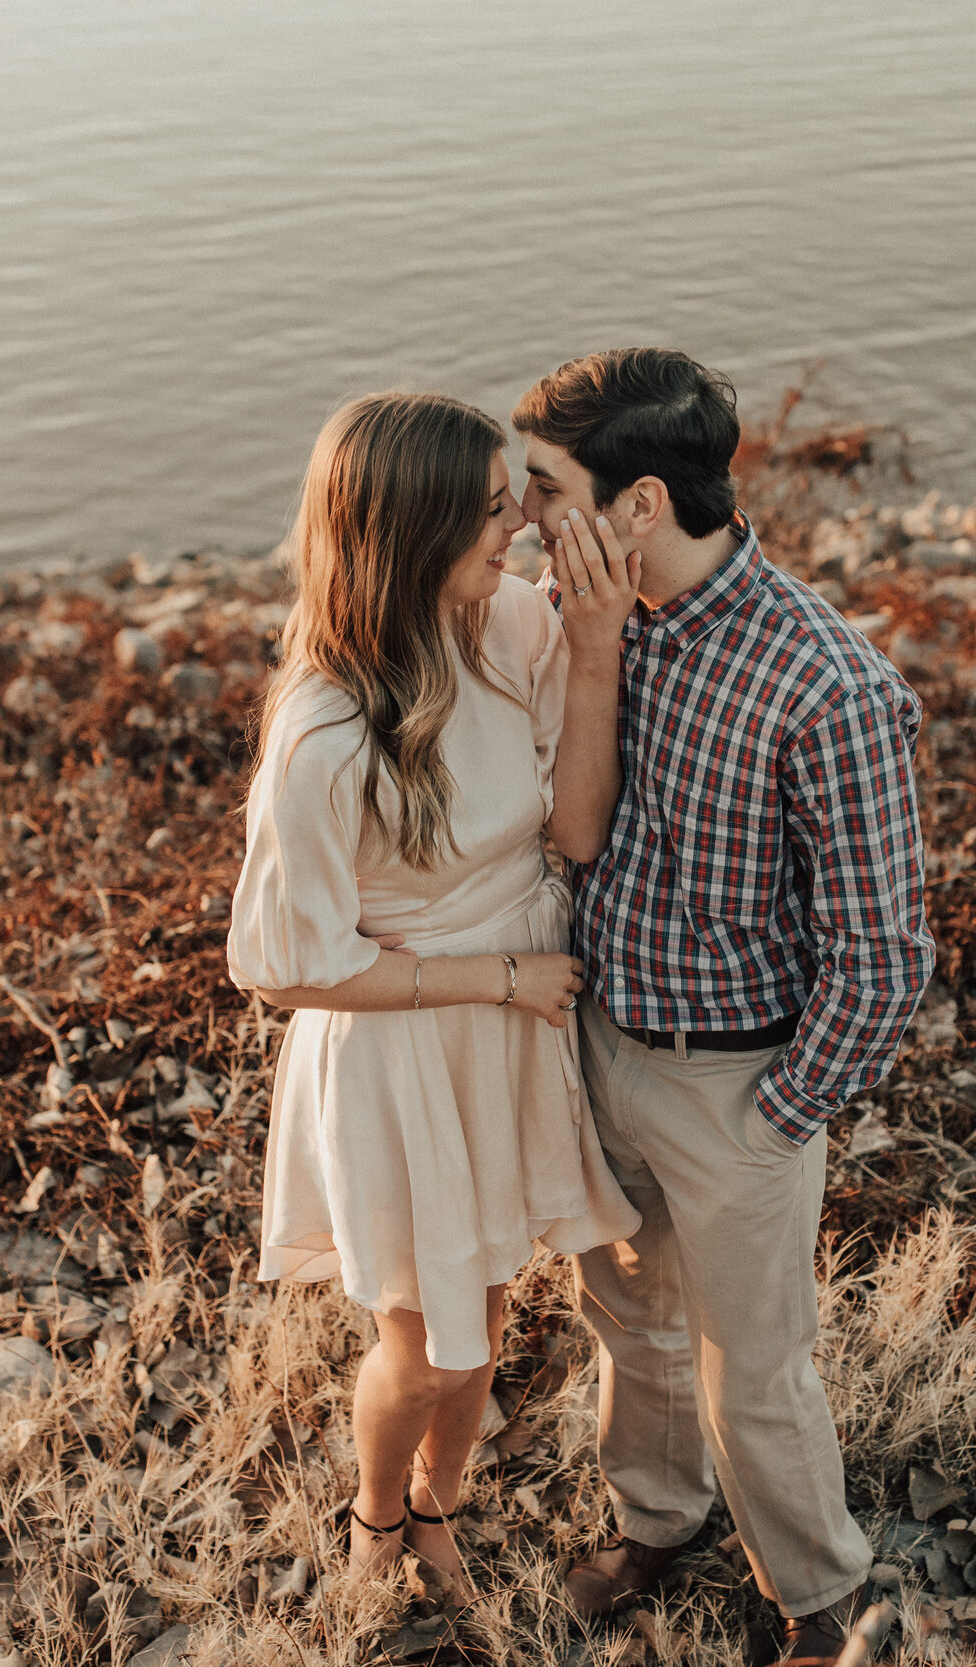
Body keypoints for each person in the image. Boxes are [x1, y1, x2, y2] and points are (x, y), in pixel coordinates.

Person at [513, 349, 935, 1666]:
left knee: (756, 1367)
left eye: (544, 489)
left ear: (639, 503)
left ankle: (816, 1597)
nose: (523, 514)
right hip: (597, 1046)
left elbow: (882, 955)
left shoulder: (828, 686)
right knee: (628, 1319)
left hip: (734, 1083)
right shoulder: (581, 610)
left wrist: (780, 1114)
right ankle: (660, 1516)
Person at [225, 390, 646, 1602]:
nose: (511, 528)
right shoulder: (324, 732)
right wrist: (500, 976)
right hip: (409, 1041)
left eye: (510, 501)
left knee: (491, 1317)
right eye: (483, 514)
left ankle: (438, 1505)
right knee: (417, 1340)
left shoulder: (506, 621)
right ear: (404, 534)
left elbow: (572, 825)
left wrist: (601, 647)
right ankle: (370, 1519)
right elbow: (281, 963)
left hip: (511, 1030)